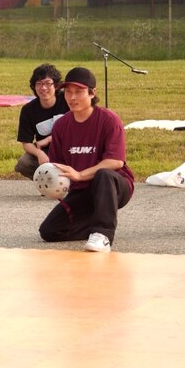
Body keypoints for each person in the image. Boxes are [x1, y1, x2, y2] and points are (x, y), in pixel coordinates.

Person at [38, 67, 134, 253]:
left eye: (79, 92)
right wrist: (50, 181)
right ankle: (97, 223)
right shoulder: (61, 125)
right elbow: (59, 166)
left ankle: (103, 234)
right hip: (82, 190)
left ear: (92, 93)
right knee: (49, 231)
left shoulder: (109, 120)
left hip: (113, 186)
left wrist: (80, 175)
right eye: (68, 92)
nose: (72, 98)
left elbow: (115, 162)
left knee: (103, 174)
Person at [14, 63, 69, 180]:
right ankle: (48, 183)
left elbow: (77, 129)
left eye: (48, 83)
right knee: (24, 163)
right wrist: (40, 154)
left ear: (56, 85)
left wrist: (49, 139)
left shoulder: (67, 100)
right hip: (46, 151)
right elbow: (26, 143)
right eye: (39, 84)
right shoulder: (28, 110)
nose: (43, 88)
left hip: (69, 147)